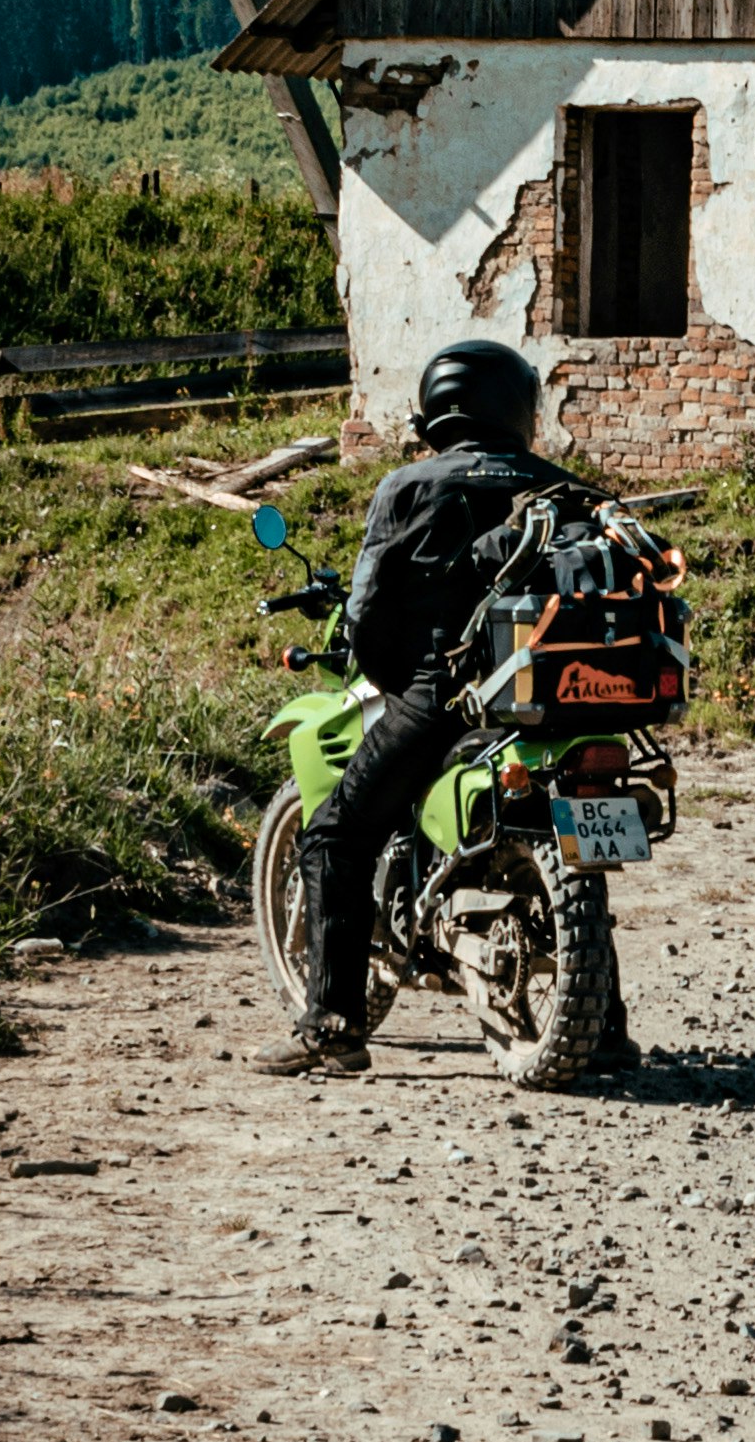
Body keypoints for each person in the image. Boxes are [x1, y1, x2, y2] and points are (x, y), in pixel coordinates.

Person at [253, 338, 629, 1078]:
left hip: (445, 697)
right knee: (585, 845)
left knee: (334, 832)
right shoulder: (569, 491)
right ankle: (605, 1027)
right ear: (519, 410)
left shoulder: (410, 486)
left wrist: (398, 674)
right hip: (556, 699)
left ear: (439, 409)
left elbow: (366, 615)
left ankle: (331, 1024)